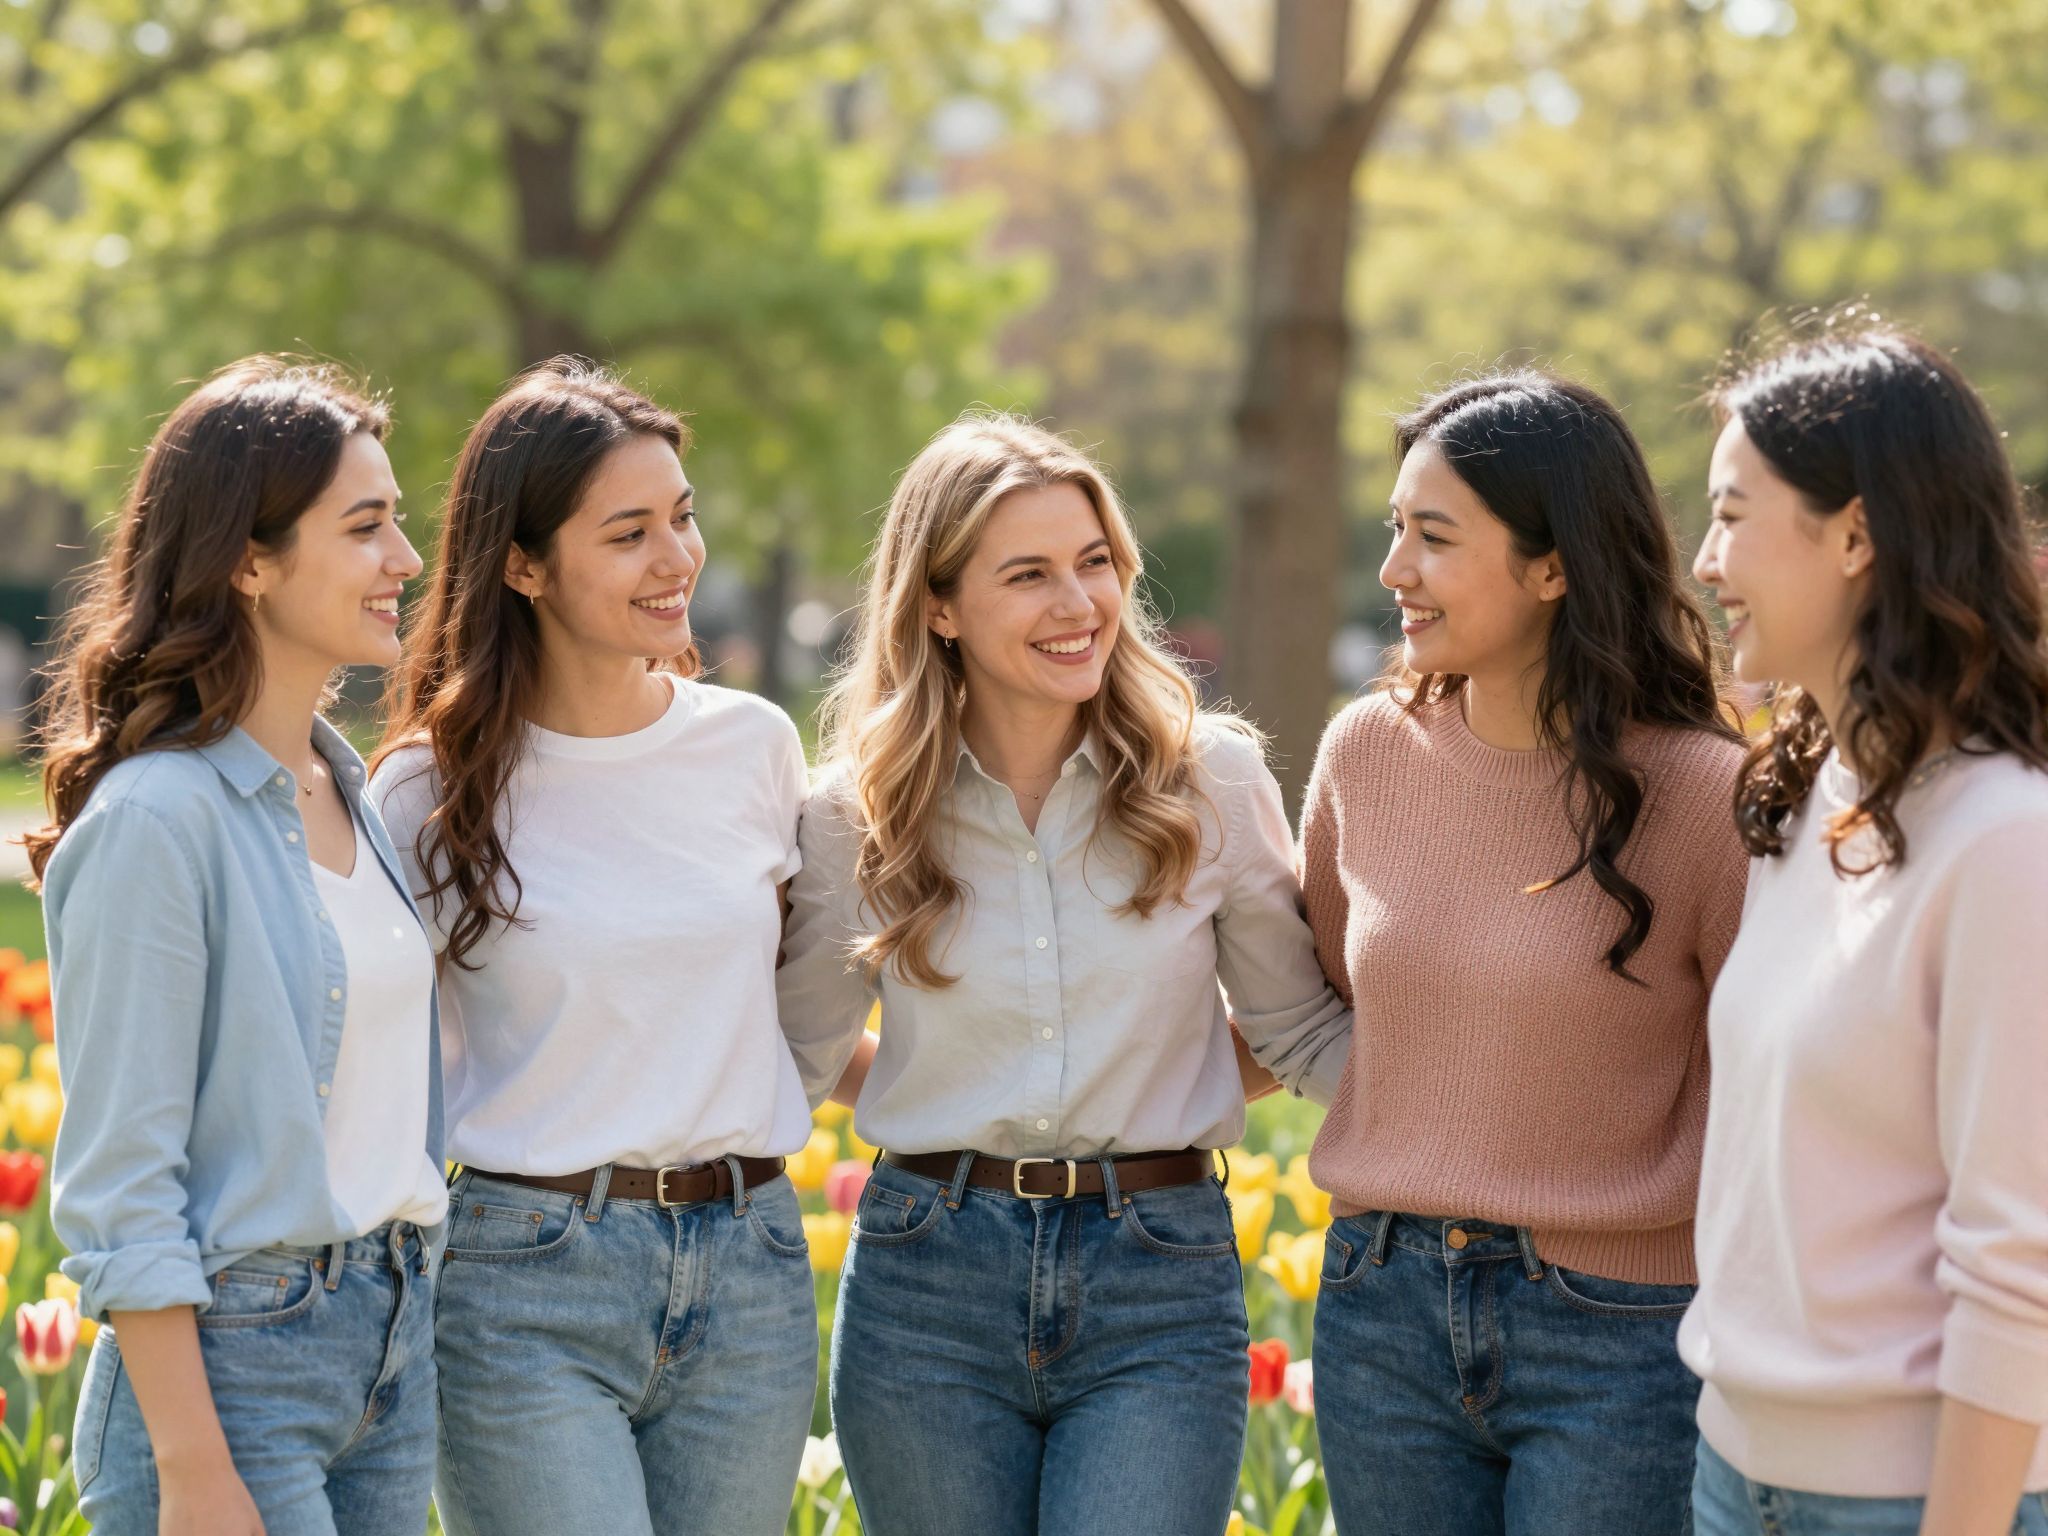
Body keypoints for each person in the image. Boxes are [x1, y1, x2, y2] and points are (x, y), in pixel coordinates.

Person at [776, 412, 1352, 1536]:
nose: (1078, 603)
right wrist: (941, 1086)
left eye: (1094, 565)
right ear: (937, 604)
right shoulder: (856, 813)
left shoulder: (1209, 779)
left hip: (1157, 1277)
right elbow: (789, 1061)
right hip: (924, 1283)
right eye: (1028, 574)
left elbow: (1298, 1032)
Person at [371, 359, 824, 1536]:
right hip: (527, 1277)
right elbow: (359, 1034)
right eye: (627, 533)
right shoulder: (427, 790)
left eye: (681, 518)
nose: (677, 559)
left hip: (750, 1265)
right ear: (522, 563)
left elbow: (774, 1003)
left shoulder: (755, 749)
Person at [1300, 371, 1748, 1536]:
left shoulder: (1708, 795)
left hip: (1619, 1333)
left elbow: (1770, 1079)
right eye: (1394, 529)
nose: (1394, 569)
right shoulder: (1364, 754)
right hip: (1379, 1310)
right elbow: (1340, 999)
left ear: (1553, 564)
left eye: (1432, 538)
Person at [32, 357, 443, 1536]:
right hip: (231, 1379)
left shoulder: (349, 787)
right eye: (365, 528)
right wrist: (194, 1470)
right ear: (248, 560)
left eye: (397, 524)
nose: (404, 562)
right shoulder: (158, 821)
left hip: (387, 1352)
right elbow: (122, 1184)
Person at [1684, 321, 2048, 1536]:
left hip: (1907, 1505)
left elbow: (2019, 1268)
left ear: (1853, 535)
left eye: (1732, 515)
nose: (1702, 557)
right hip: (1735, 1479)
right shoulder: (1807, 799)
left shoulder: (2002, 841)